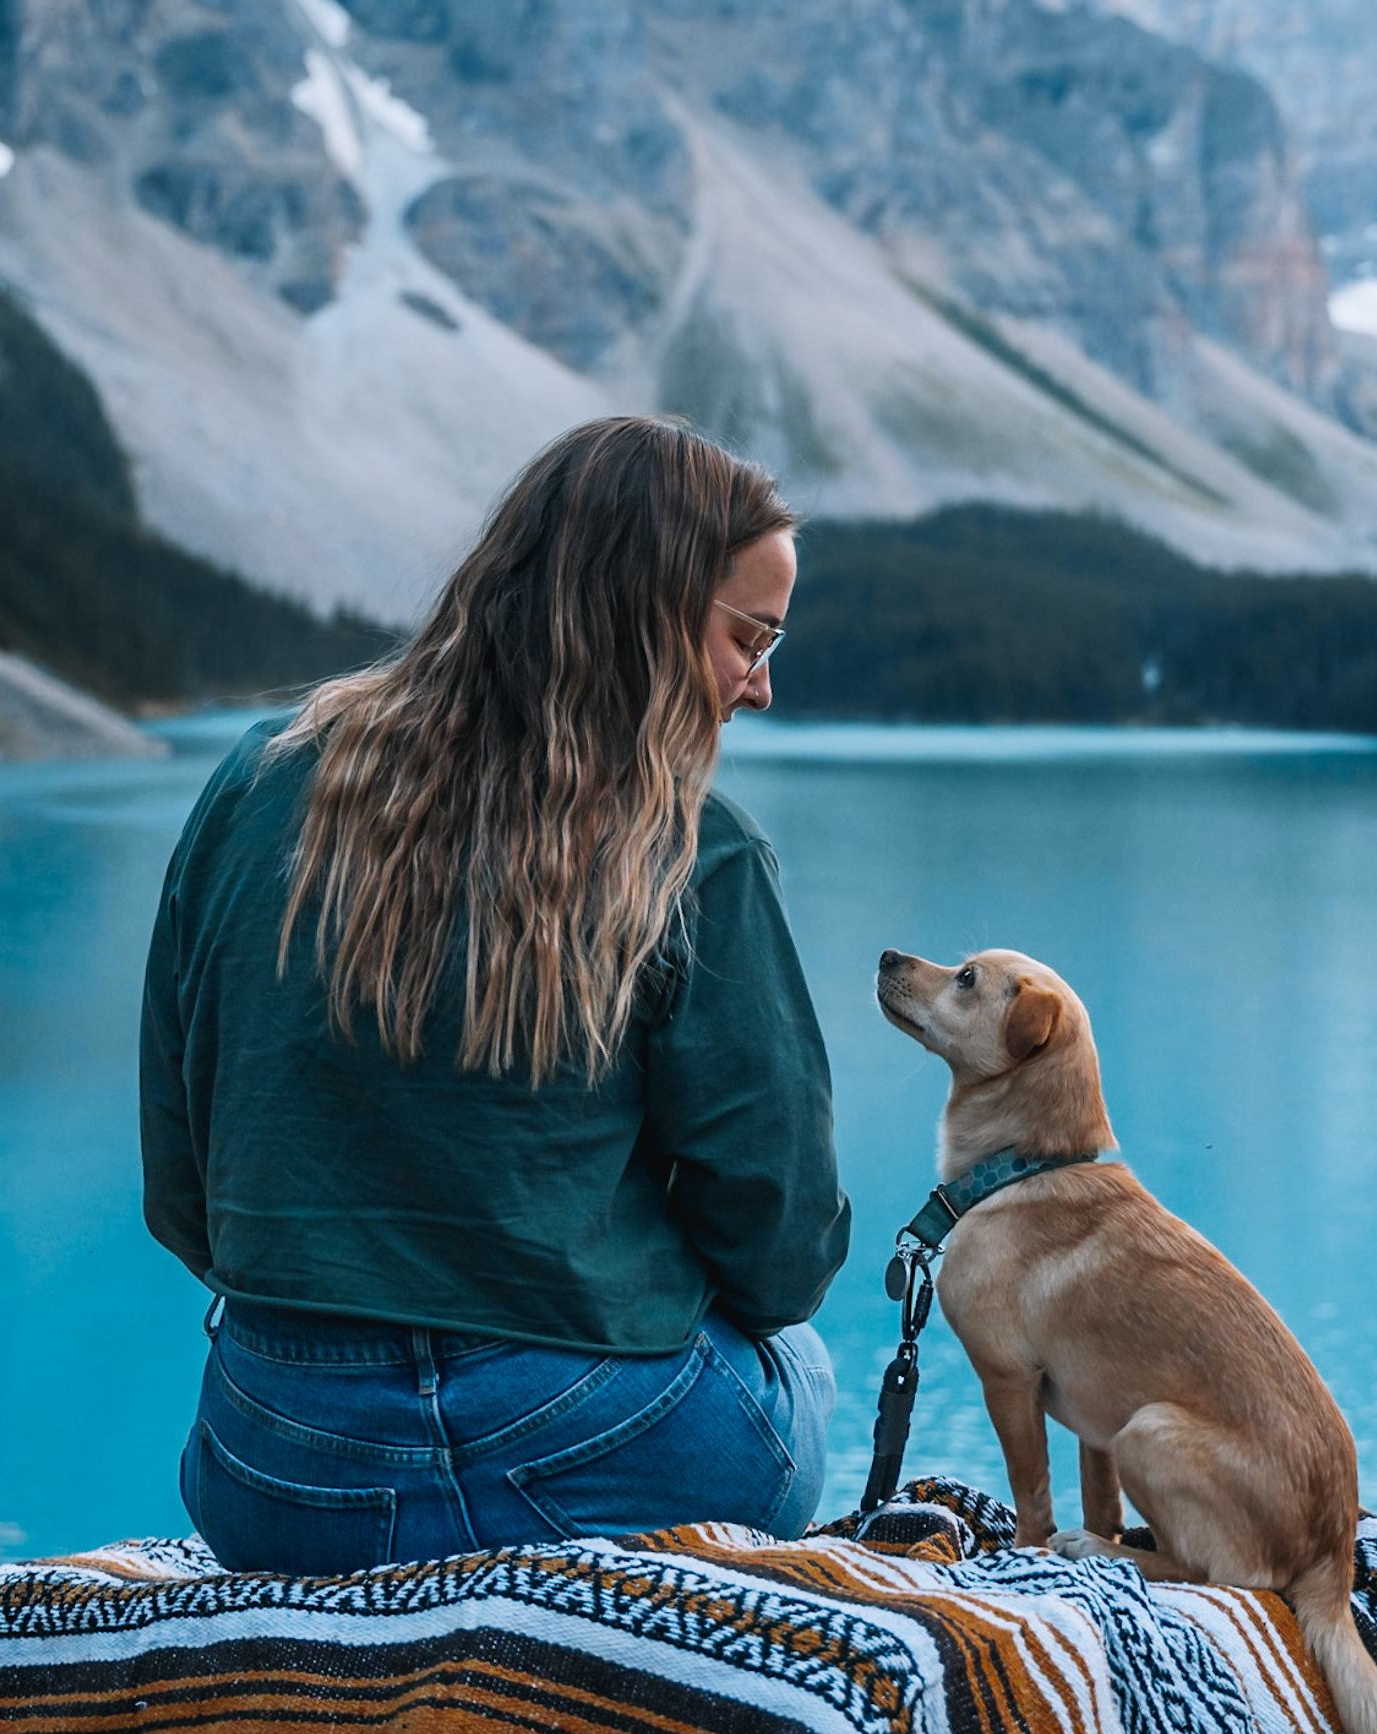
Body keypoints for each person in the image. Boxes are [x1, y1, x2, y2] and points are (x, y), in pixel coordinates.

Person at [140, 417, 849, 1573]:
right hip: (606, 1461)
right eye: (748, 636)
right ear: (647, 611)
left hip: (277, 1473)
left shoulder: (256, 780)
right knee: (802, 1367)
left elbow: (182, 1198)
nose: (759, 685)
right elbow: (780, 1258)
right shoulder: (693, 850)